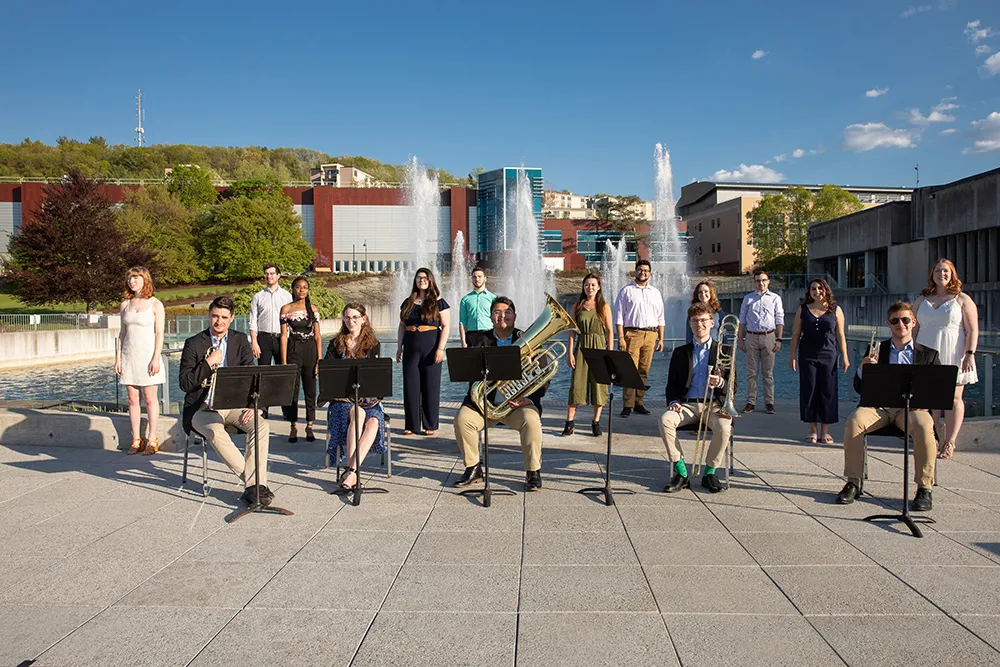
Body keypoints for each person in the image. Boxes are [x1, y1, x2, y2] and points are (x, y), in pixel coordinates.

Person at [835, 302, 940, 511]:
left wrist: (923, 401)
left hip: (912, 409)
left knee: (924, 427)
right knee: (854, 422)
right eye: (895, 321)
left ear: (913, 322)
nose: (900, 324)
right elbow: (858, 387)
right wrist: (863, 370)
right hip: (879, 407)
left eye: (905, 320)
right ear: (888, 324)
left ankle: (924, 488)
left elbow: (936, 390)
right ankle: (853, 482)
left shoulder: (928, 354)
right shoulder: (876, 349)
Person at [179, 296, 273, 506]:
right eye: (214, 316)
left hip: (234, 405)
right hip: (202, 408)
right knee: (214, 431)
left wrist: (256, 406)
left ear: (231, 318)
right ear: (209, 316)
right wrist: (208, 363)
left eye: (223, 317)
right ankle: (256, 486)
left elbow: (253, 376)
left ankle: (254, 487)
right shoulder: (193, 344)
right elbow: (185, 384)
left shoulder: (240, 341)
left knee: (262, 426)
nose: (218, 321)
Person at [452, 296, 545, 491]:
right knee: (462, 419)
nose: (503, 316)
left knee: (532, 421)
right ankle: (474, 468)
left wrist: (530, 399)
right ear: (491, 317)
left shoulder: (527, 338)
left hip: (516, 406)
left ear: (515, 315)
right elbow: (470, 374)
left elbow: (543, 372)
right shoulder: (479, 340)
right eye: (497, 312)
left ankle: (533, 472)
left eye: (507, 312)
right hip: (485, 404)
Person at [658, 303, 734, 494]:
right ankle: (681, 471)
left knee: (725, 427)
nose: (699, 324)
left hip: (714, 406)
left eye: (703, 320)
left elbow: (734, 387)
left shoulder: (724, 350)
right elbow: (671, 385)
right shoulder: (680, 352)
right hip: (687, 406)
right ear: (690, 324)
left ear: (712, 322)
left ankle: (710, 472)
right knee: (665, 420)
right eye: (694, 321)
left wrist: (721, 384)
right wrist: (674, 402)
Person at [912, 259, 979, 460]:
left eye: (946, 271)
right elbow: (912, 326)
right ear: (932, 274)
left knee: (953, 398)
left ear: (952, 274)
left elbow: (972, 329)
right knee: (926, 400)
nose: (941, 274)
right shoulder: (922, 299)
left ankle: (949, 442)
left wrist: (969, 354)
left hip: (953, 352)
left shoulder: (962, 299)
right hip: (925, 353)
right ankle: (930, 438)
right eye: (938, 270)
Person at [324, 303, 385, 491]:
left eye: (355, 317)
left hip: (367, 398)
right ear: (344, 319)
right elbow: (327, 374)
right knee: (358, 414)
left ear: (363, 319)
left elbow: (377, 377)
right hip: (341, 400)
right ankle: (353, 472)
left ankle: (350, 471)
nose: (351, 321)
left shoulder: (373, 345)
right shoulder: (335, 344)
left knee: (373, 421)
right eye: (348, 317)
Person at [787, 279, 850, 444]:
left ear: (826, 290)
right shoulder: (803, 309)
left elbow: (840, 335)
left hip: (828, 355)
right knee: (809, 390)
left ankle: (825, 431)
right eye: (813, 289)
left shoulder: (835, 310)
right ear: (809, 292)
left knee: (827, 391)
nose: (817, 291)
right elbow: (795, 334)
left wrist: (845, 356)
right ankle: (813, 430)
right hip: (807, 355)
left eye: (820, 288)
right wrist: (792, 355)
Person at [115, 266, 166, 455]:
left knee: (150, 399)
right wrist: (118, 358)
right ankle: (136, 439)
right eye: (130, 278)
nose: (132, 281)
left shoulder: (155, 304)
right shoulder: (125, 305)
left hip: (148, 356)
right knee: (132, 399)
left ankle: (152, 438)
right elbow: (122, 334)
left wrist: (156, 357)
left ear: (145, 280)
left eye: (136, 278)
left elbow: (159, 333)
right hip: (130, 356)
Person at [395, 267, 450, 435]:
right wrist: (399, 347)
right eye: (419, 278)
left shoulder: (439, 302)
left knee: (430, 385)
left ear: (431, 280)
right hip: (411, 345)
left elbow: (446, 326)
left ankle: (430, 424)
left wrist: (441, 348)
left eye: (425, 277)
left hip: (431, 344)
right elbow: (402, 326)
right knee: (411, 385)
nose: (421, 280)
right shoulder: (408, 301)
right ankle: (411, 424)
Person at [563, 273, 613, 437]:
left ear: (598, 287)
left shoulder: (604, 306)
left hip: (599, 347)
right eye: (587, 284)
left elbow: (610, 332)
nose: (589, 287)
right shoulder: (577, 306)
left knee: (599, 386)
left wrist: (609, 355)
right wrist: (570, 352)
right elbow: (572, 331)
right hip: (582, 347)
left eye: (593, 285)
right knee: (577, 384)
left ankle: (596, 422)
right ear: (583, 287)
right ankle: (570, 422)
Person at [614, 259, 665, 418]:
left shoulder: (655, 292)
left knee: (643, 371)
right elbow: (619, 316)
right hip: (632, 334)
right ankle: (627, 405)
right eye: (640, 270)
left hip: (650, 335)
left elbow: (660, 317)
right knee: (630, 370)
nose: (643, 273)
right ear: (635, 271)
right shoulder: (626, 291)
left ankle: (639, 403)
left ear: (650, 273)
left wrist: (661, 338)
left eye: (646, 270)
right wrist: (621, 337)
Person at [280, 276, 322, 443]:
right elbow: (284, 336)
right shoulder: (286, 309)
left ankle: (309, 425)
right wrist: (283, 362)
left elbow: (318, 336)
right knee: (293, 391)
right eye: (298, 287)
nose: (302, 290)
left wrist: (319, 360)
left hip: (310, 349)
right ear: (293, 289)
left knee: (311, 390)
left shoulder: (313, 309)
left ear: (308, 290)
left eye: (305, 287)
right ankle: (293, 425)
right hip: (293, 349)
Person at [737, 270, 784, 414]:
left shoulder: (775, 298)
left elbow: (779, 318)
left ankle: (769, 402)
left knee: (768, 373)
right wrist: (740, 339)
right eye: (758, 280)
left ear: (768, 281)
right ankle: (751, 402)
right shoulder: (748, 298)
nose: (760, 283)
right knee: (752, 372)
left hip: (769, 336)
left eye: (763, 280)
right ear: (754, 282)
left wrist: (779, 338)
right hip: (751, 336)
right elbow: (742, 319)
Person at [249, 263, 292, 418]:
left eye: (272, 273)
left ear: (278, 275)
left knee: (283, 374)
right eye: (267, 273)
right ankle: (263, 409)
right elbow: (253, 321)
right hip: (264, 338)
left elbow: (291, 319)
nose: (269, 276)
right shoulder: (258, 297)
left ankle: (286, 409)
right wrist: (254, 341)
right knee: (263, 375)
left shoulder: (287, 296)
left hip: (282, 339)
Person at [458, 265, 496, 348]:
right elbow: (462, 322)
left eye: (479, 276)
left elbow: (497, 319)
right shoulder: (465, 299)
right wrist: (463, 342)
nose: (477, 279)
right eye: (474, 277)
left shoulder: (493, 298)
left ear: (485, 278)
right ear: (472, 279)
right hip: (471, 335)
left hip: (488, 334)